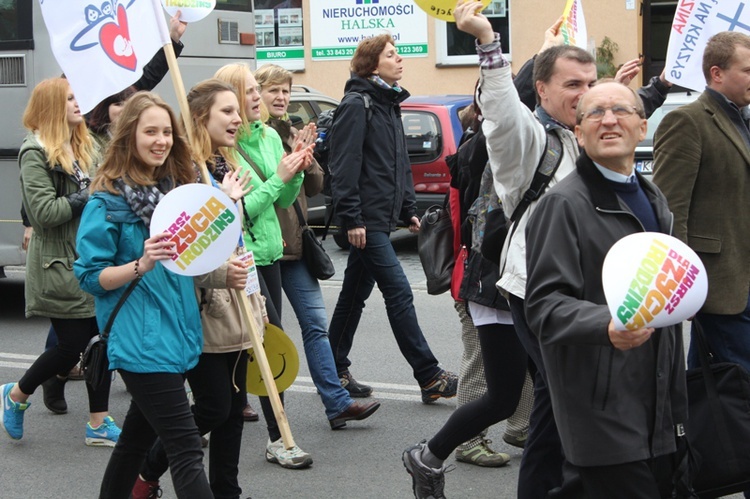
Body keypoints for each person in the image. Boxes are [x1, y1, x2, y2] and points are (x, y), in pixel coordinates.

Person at [454, 3, 673, 496]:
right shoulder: (528, 139)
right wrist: (488, 41)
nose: (587, 95)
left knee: (565, 409)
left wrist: (656, 87)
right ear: (543, 90)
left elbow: (624, 113)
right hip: (539, 291)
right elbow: (502, 110)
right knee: (562, 403)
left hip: (597, 296)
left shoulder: (589, 137)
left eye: (591, 83)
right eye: (573, 85)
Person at [525, 79, 688, 497]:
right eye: (595, 112)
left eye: (621, 110)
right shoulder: (563, 204)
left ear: (642, 126)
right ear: (579, 133)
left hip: (660, 402)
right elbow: (543, 306)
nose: (609, 120)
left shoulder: (654, 199)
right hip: (602, 409)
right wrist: (607, 324)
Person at [130, 79, 263, 499]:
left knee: (234, 410)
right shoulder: (182, 174)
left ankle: (228, 490)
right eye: (227, 111)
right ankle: (147, 471)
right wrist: (218, 206)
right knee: (214, 405)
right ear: (200, 119)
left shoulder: (224, 163)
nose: (238, 118)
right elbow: (181, 252)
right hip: (202, 309)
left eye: (237, 111)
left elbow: (242, 232)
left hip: (239, 298)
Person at [74, 91, 211, 498]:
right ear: (129, 136)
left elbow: (191, 265)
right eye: (150, 131)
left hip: (180, 336)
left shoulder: (176, 196)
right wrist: (141, 263)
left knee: (134, 441)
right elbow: (89, 277)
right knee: (185, 447)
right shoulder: (107, 202)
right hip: (141, 343)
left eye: (167, 132)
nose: (161, 140)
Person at [327, 34, 458, 403]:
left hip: (381, 219)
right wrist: (351, 218)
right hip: (365, 222)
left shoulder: (388, 104)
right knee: (399, 291)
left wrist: (407, 210)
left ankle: (333, 366)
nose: (400, 60)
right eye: (391, 55)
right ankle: (429, 376)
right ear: (372, 65)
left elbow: (399, 163)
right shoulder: (357, 105)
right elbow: (344, 166)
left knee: (353, 296)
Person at [256, 63, 381, 429]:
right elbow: (267, 195)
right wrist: (287, 162)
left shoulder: (292, 131)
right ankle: (241, 406)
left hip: (296, 247)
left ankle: (337, 402)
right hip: (265, 249)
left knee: (314, 324)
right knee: (263, 336)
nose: (281, 98)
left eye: (285, 91)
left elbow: (314, 187)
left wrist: (306, 156)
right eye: (273, 91)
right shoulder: (253, 138)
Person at [654, 34, 750, 498]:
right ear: (716, 73)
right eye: (748, 70)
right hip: (720, 287)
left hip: (744, 282)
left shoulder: (744, 119)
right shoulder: (687, 121)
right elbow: (673, 212)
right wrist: (685, 289)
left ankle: (693, 476)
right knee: (737, 393)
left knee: (708, 394)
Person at [0, 77, 120, 446]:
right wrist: (90, 194)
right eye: (69, 98)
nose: (77, 103)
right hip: (60, 263)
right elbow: (44, 212)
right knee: (69, 347)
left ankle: (98, 422)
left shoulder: (86, 144)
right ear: (52, 106)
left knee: (101, 340)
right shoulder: (34, 151)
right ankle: (17, 394)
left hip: (96, 256)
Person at [214, 62, 315, 469]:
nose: (257, 97)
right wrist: (278, 177)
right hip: (243, 258)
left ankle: (223, 417)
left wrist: (294, 168)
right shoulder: (225, 149)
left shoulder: (271, 134)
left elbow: (284, 200)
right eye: (248, 91)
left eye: (258, 89)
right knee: (264, 346)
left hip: (271, 255)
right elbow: (238, 212)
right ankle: (278, 437)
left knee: (259, 345)